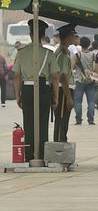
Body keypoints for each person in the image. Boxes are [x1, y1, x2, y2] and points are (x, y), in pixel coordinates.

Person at [12, 20, 54, 158]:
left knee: (29, 122)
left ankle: (29, 155)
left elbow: (17, 75)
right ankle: (42, 155)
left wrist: (18, 95)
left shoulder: (22, 53)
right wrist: (56, 96)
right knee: (43, 122)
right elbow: (55, 76)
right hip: (44, 88)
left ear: (30, 34)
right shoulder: (49, 53)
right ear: (43, 35)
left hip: (28, 89)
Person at [51, 24, 78, 143]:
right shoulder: (62, 53)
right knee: (62, 119)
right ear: (68, 37)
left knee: (61, 120)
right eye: (73, 36)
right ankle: (59, 145)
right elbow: (63, 77)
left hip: (62, 89)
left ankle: (60, 142)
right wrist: (69, 98)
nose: (74, 38)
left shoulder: (63, 51)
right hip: (63, 90)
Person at [72, 36, 98, 126]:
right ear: (89, 44)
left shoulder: (78, 54)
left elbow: (73, 66)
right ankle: (90, 119)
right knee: (91, 101)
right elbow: (95, 68)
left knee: (78, 101)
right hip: (90, 80)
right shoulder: (93, 55)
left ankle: (78, 119)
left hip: (80, 80)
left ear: (80, 44)